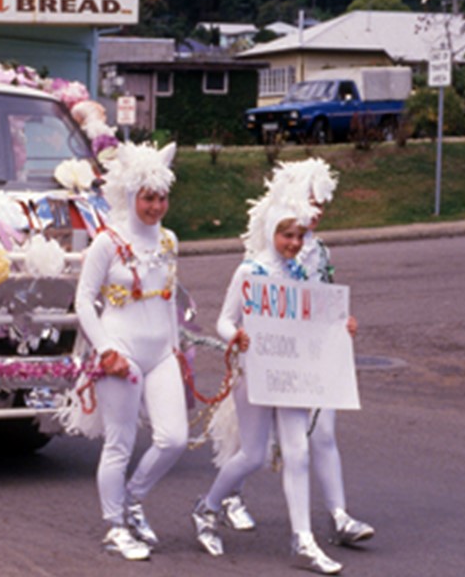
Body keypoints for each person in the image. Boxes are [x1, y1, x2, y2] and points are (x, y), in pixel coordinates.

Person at [205, 159, 376, 550]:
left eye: (321, 204)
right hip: (267, 361)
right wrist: (242, 338)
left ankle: (335, 517)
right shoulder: (266, 253)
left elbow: (322, 304)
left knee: (319, 438)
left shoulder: (313, 253)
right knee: (252, 448)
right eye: (309, 200)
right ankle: (223, 499)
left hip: (310, 360)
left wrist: (340, 325)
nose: (316, 211)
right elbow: (237, 312)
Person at [74, 142, 187, 561]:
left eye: (161, 198)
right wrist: (106, 351)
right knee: (119, 444)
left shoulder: (170, 241)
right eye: (148, 198)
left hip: (161, 355)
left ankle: (133, 499)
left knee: (174, 438)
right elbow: (84, 302)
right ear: (129, 196)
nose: (156, 207)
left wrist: (175, 350)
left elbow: (170, 298)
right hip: (121, 352)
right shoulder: (107, 242)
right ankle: (115, 525)